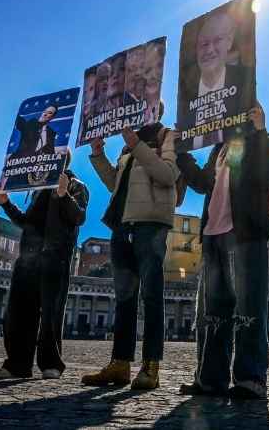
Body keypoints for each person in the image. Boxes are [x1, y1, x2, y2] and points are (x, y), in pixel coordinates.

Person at [176, 103, 269, 400]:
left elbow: (265, 175)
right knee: (214, 313)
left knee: (249, 309)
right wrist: (182, 152)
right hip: (213, 235)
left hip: (244, 234)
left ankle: (251, 378)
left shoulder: (263, 141)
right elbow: (203, 182)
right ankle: (211, 379)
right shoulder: (220, 148)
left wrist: (260, 131)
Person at [82, 105, 178, 390]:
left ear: (156, 109)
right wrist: (98, 155)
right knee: (124, 297)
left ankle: (151, 366)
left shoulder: (167, 135)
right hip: (122, 224)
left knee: (151, 295)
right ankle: (120, 364)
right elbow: (115, 183)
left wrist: (136, 145)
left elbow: (168, 174)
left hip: (150, 223)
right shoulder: (127, 144)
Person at [0, 151, 88, 380]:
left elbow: (79, 218)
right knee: (19, 312)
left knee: (51, 314)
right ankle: (17, 364)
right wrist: (6, 204)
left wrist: (64, 195)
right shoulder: (38, 189)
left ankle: (51, 364)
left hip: (56, 258)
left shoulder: (76, 185)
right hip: (28, 258)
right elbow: (27, 223)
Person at [178, 11, 255, 150]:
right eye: (204, 43)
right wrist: (177, 146)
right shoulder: (185, 93)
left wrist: (260, 129)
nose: (210, 50)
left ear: (229, 42)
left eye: (218, 40)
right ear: (196, 48)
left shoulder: (244, 83)